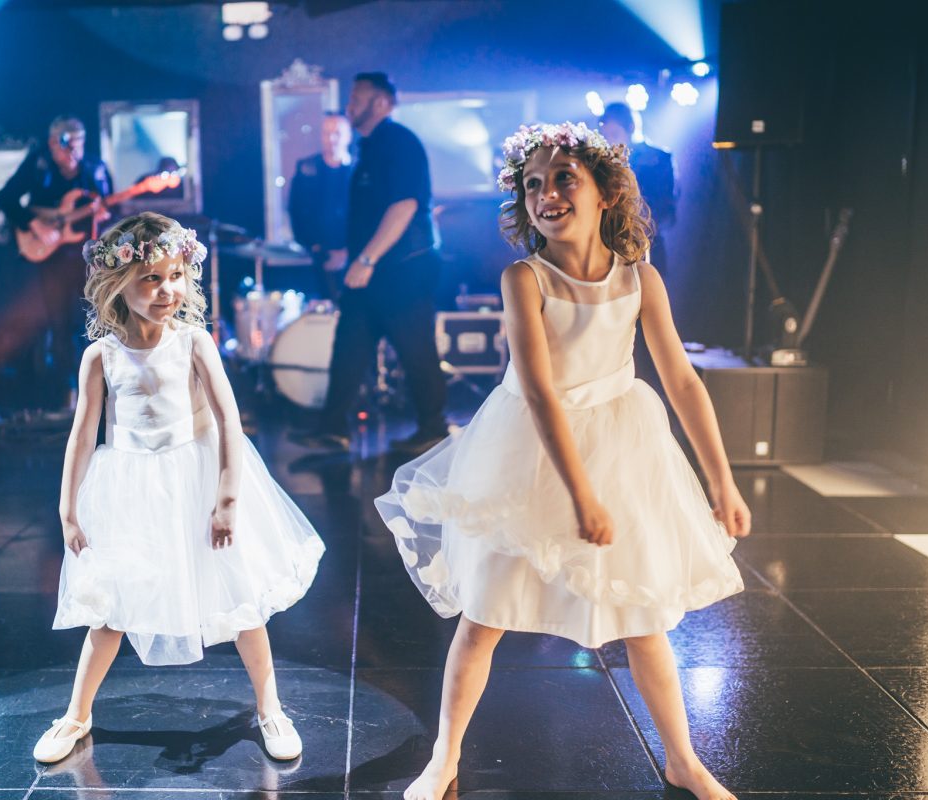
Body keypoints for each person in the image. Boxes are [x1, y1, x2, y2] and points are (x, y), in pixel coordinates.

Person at [375, 122, 751, 800]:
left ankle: (683, 760)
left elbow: (683, 382)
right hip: (528, 448)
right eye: (533, 184)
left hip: (622, 442)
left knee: (643, 617)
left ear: (606, 193)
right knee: (485, 615)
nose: (547, 194)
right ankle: (444, 757)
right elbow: (542, 391)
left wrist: (722, 481)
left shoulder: (640, 279)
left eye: (563, 180)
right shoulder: (525, 278)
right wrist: (580, 495)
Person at [34, 212, 325, 765]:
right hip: (131, 488)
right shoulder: (101, 356)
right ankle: (76, 715)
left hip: (196, 479)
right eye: (150, 278)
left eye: (174, 276)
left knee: (241, 601)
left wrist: (228, 497)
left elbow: (229, 420)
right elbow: (82, 432)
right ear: (118, 285)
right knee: (111, 607)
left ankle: (270, 708)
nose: (166, 289)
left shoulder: (194, 343)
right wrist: (68, 509)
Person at [290, 72, 447, 454]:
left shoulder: (399, 142)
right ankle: (333, 428)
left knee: (415, 351)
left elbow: (405, 204)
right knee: (349, 347)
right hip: (370, 273)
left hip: (402, 271)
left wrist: (366, 257)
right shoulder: (368, 148)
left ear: (381, 102)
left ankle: (433, 430)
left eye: (357, 96)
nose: (350, 103)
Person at [0, 116, 113, 407]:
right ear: (52, 144)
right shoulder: (38, 165)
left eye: (77, 144)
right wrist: (34, 224)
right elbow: (5, 199)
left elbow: (110, 206)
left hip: (88, 259)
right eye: (65, 146)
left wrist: (104, 214)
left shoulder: (94, 169)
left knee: (96, 322)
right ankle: (67, 393)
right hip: (52, 260)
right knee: (59, 327)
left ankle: (99, 392)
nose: (72, 153)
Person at [598, 102, 676, 275]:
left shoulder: (658, 159)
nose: (611, 140)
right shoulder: (600, 163)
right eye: (606, 135)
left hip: (646, 241)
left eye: (615, 133)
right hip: (608, 245)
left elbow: (666, 207)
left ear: (631, 128)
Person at [288, 112, 353, 299]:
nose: (331, 139)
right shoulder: (307, 167)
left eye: (337, 133)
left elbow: (367, 215)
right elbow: (296, 209)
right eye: (326, 133)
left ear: (347, 136)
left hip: (353, 255)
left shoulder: (357, 169)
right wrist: (314, 246)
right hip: (317, 255)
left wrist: (346, 251)